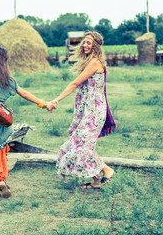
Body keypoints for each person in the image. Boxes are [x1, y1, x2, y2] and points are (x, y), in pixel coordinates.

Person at [0, 46, 51, 198]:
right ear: (4, 61)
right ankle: (1, 180)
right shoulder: (5, 78)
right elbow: (24, 93)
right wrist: (44, 104)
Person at [47, 32, 116, 189]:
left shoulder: (94, 62)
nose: (85, 45)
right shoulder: (89, 61)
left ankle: (106, 170)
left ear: (96, 46)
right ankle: (96, 180)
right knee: (77, 145)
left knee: (81, 145)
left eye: (89, 43)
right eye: (84, 42)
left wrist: (56, 100)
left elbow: (75, 83)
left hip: (94, 111)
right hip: (86, 110)